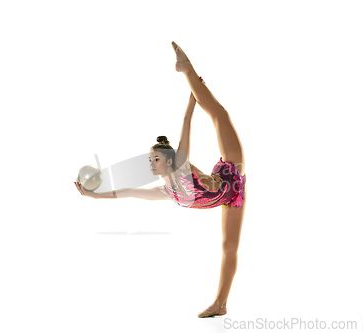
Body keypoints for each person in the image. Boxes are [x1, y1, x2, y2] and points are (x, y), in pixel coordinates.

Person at [75, 42, 247, 318]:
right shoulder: (169, 192)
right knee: (229, 247)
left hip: (231, 174)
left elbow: (187, 121)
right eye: (150, 160)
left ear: (169, 160)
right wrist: (93, 195)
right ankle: (221, 304)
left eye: (154, 159)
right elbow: (129, 192)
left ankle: (186, 68)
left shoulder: (180, 166)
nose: (150, 163)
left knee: (219, 115)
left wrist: (192, 88)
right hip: (227, 198)